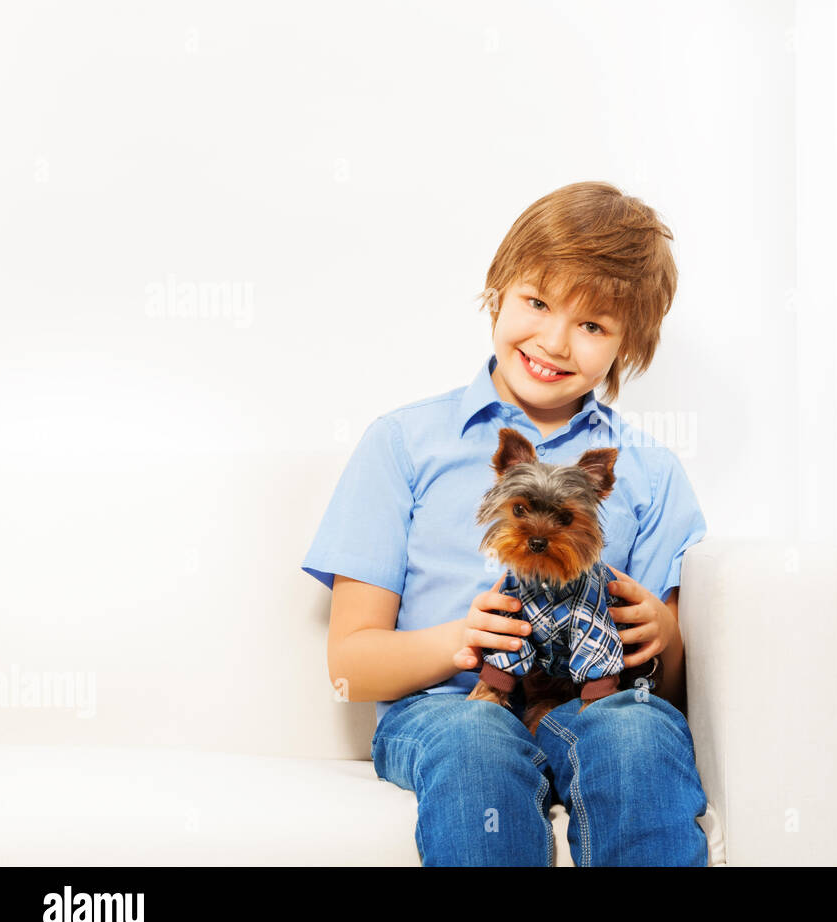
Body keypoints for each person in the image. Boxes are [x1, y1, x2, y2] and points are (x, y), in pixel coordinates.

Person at [300, 181, 709, 866]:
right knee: (475, 741)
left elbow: (670, 686)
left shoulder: (651, 469)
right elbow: (351, 664)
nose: (554, 340)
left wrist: (663, 636)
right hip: (447, 710)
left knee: (640, 734)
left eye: (592, 325)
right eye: (538, 302)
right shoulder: (404, 442)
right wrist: (461, 640)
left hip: (592, 703)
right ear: (497, 290)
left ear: (627, 346)